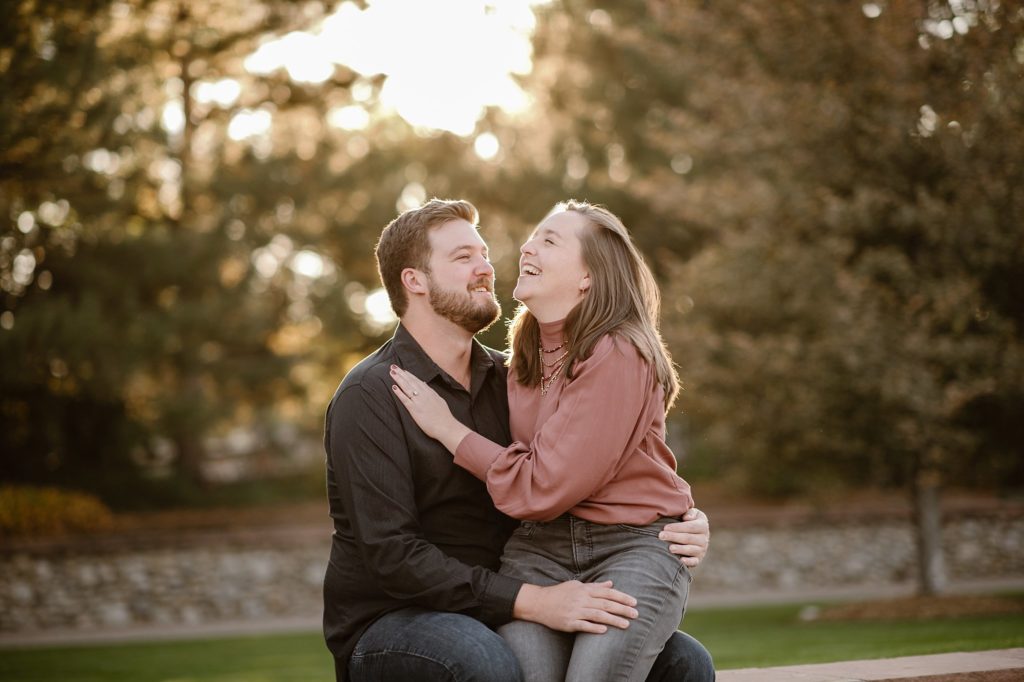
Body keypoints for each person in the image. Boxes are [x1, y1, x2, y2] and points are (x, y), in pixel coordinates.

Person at [323, 198, 714, 682]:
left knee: (685, 662)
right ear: (415, 281)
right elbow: (393, 558)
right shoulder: (372, 394)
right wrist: (532, 601)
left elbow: (588, 458)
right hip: (397, 616)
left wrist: (683, 520)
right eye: (463, 257)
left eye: (484, 254)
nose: (486, 268)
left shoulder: (512, 378)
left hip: (514, 590)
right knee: (485, 659)